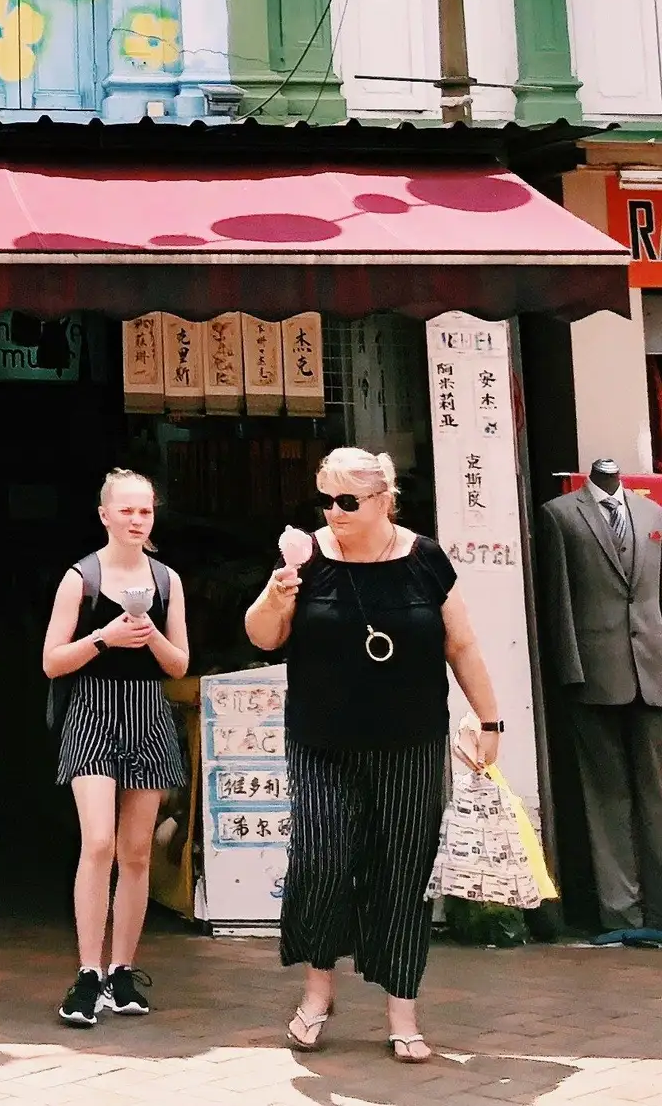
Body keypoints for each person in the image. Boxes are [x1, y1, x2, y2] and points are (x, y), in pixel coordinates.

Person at [244, 445, 503, 1066]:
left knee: (402, 870)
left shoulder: (424, 559)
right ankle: (317, 990)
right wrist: (280, 595)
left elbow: (460, 643)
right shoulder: (304, 557)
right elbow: (261, 636)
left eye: (348, 501)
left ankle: (402, 1010)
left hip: (410, 742)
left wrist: (489, 717)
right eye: (326, 499)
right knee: (322, 861)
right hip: (322, 741)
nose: (334, 512)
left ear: (385, 499)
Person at [41, 467, 190, 1027]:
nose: (136, 519)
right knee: (98, 841)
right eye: (126, 510)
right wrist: (104, 638)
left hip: (149, 711)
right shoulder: (79, 578)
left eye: (145, 510)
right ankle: (86, 972)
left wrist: (149, 634)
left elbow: (180, 664)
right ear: (104, 515)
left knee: (136, 851)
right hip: (92, 712)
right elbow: (52, 660)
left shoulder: (168, 581)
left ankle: (121, 971)